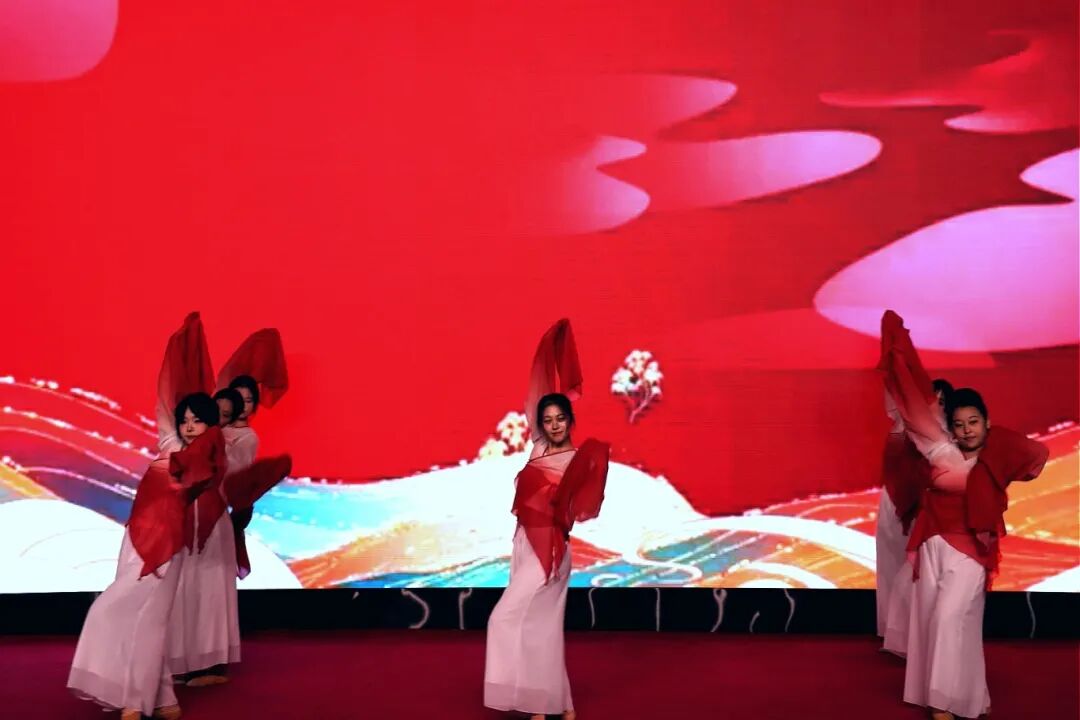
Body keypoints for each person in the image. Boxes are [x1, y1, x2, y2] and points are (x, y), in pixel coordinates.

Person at [879, 310, 1048, 720]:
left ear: (987, 422)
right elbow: (911, 397)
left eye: (974, 422)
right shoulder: (940, 451)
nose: (968, 429)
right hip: (933, 543)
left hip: (972, 548)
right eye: (959, 424)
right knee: (937, 619)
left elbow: (1036, 457)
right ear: (949, 428)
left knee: (952, 617)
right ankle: (967, 699)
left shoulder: (998, 453)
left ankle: (942, 702)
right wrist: (899, 352)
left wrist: (993, 453)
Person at [67, 317, 226, 720]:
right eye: (185, 419)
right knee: (125, 613)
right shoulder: (171, 447)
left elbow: (201, 480)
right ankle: (162, 699)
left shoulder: (209, 459)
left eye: (197, 419)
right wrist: (181, 348)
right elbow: (164, 401)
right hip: (139, 539)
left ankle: (140, 701)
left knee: (148, 620)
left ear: (210, 424)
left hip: (168, 547)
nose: (189, 426)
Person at [484, 319, 610, 720]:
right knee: (540, 629)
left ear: (570, 421)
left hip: (550, 549)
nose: (554, 425)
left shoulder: (576, 462)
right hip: (525, 543)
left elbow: (577, 511)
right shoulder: (539, 447)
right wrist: (551, 347)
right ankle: (554, 705)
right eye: (548, 419)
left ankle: (536, 701)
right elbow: (537, 389)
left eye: (560, 419)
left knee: (504, 618)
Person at [168, 330, 289, 687]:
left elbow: (235, 481)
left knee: (212, 589)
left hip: (216, 518)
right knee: (186, 588)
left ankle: (212, 661)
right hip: (189, 520)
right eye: (218, 409)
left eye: (246, 401)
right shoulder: (198, 439)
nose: (240, 406)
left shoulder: (238, 441)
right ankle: (184, 658)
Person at [876, 378, 951, 640]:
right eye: (933, 400)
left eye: (943, 401)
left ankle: (917, 632)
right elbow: (893, 387)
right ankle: (892, 630)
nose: (937, 405)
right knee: (890, 565)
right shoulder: (903, 421)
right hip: (893, 502)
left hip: (924, 507)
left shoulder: (946, 433)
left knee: (916, 571)